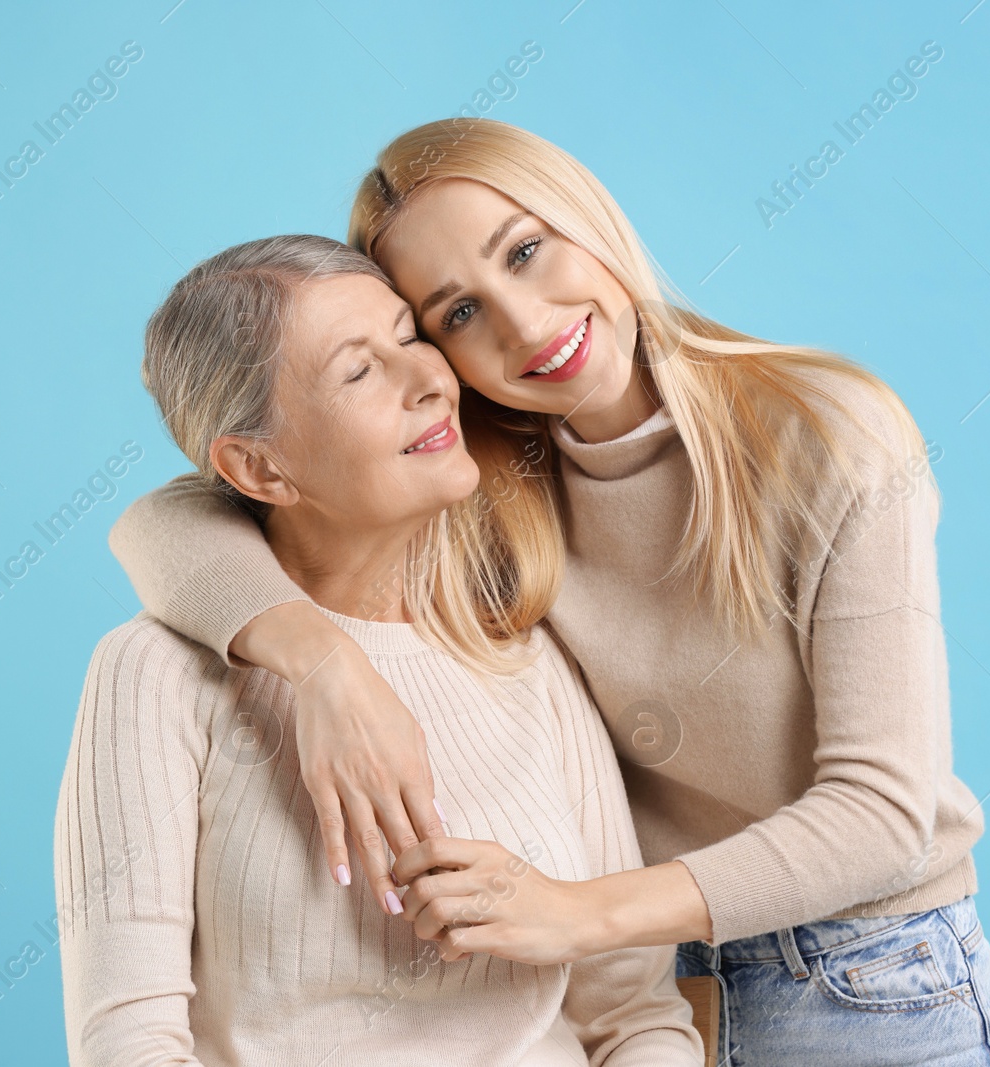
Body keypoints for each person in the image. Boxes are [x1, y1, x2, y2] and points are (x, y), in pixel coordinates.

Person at [105, 119, 990, 1063]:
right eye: (456, 314)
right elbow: (171, 518)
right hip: (676, 987)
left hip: (867, 981)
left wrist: (571, 913)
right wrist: (322, 663)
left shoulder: (823, 433)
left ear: (583, 211)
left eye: (525, 250)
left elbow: (884, 815)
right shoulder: (485, 478)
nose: (522, 321)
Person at [52, 233, 703, 1066]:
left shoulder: (522, 655)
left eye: (409, 337)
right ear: (258, 467)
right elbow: (128, 1044)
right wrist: (322, 662)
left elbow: (636, 1016)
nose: (431, 379)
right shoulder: (155, 676)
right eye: (360, 371)